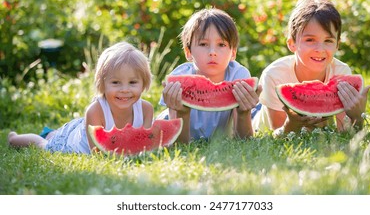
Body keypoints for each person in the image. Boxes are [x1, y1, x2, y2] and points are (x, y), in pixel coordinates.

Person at [252, 0, 370, 136]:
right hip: (259, 124)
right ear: (292, 43)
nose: (320, 49)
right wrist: (292, 125)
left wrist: (357, 116)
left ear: (337, 45)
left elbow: (346, 134)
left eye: (328, 40)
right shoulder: (274, 75)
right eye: (310, 40)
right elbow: (277, 135)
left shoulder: (341, 73)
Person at [8, 42, 154, 153]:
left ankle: (52, 133)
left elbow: (145, 144)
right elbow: (97, 152)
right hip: (74, 141)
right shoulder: (96, 111)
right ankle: (14, 138)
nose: (124, 90)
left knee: (54, 134)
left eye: (133, 82)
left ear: (144, 84)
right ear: (102, 84)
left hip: (79, 128)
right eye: (115, 82)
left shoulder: (146, 110)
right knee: (45, 145)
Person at [157, 8, 261, 143]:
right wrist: (181, 113)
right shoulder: (179, 78)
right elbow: (179, 145)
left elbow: (243, 140)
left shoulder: (238, 75)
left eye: (221, 44)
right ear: (188, 52)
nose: (212, 52)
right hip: (179, 131)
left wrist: (244, 113)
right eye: (203, 44)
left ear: (233, 53)